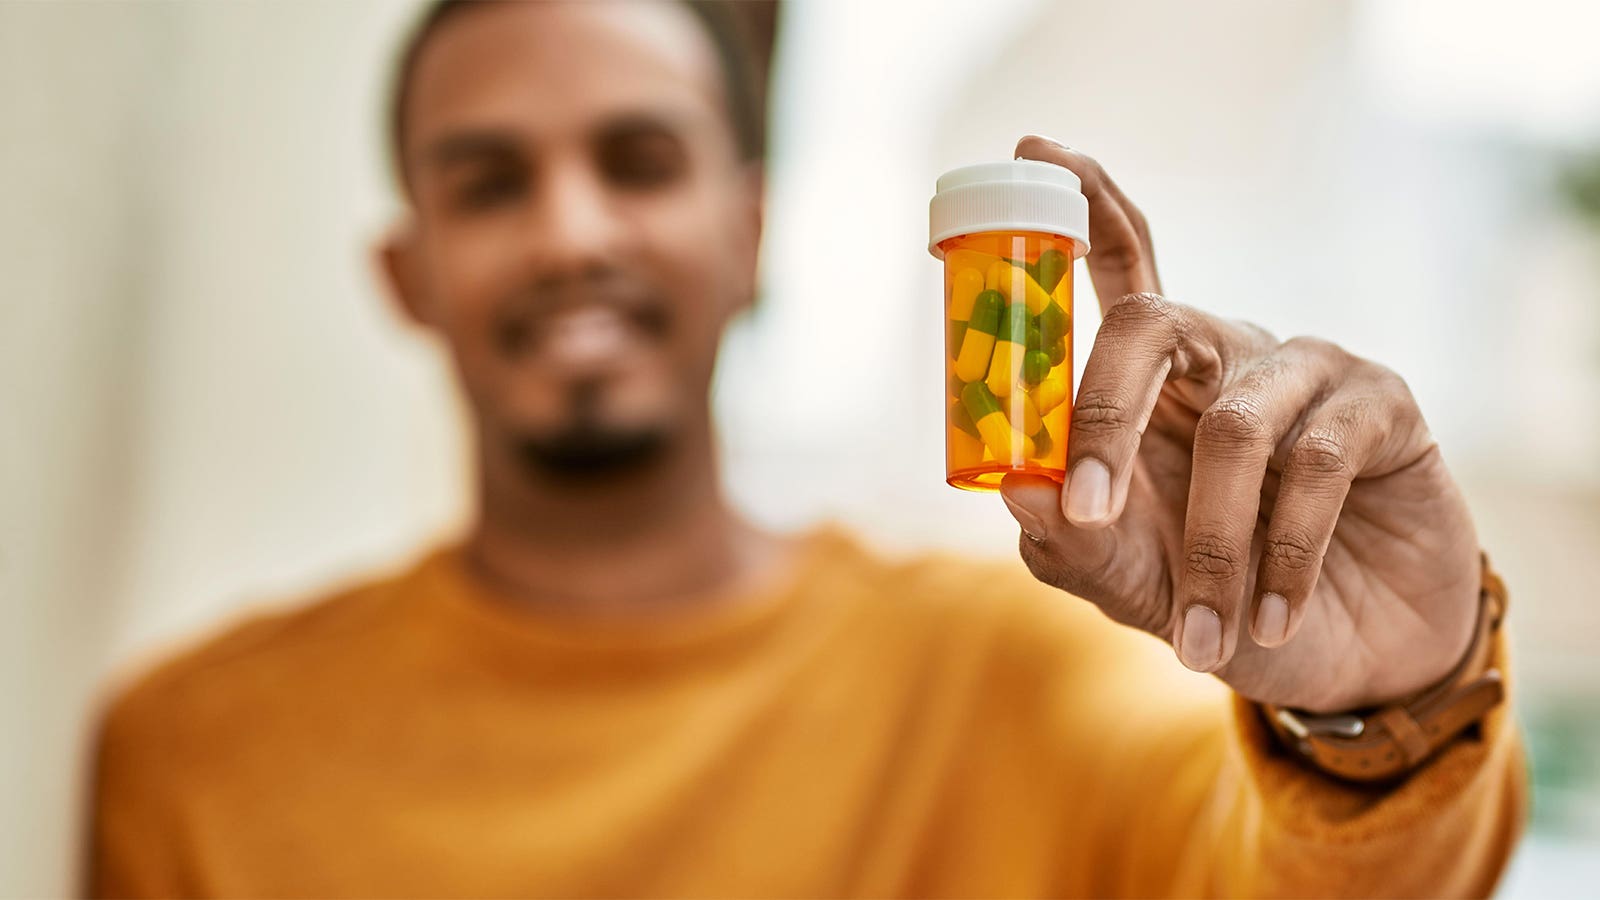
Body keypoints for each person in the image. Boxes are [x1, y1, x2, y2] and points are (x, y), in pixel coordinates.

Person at [87, 1, 1527, 896]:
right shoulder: (195, 753)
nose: (574, 231)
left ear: (752, 236)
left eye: (640, 163)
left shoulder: (1011, 687)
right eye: (489, 182)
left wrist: (1387, 704)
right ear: (406, 272)